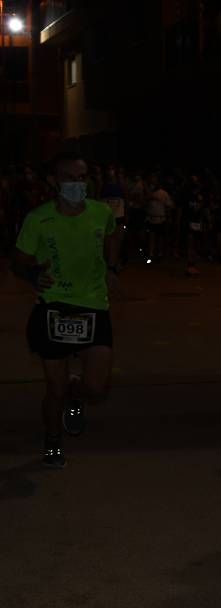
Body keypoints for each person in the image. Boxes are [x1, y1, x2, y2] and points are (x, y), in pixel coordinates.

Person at [10, 151, 120, 468]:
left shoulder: (101, 212)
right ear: (55, 181)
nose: (77, 184)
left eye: (82, 177)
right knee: (53, 387)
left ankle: (78, 393)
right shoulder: (38, 218)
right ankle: (53, 443)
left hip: (94, 305)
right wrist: (32, 275)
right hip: (53, 306)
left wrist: (112, 267)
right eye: (70, 178)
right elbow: (18, 261)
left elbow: (114, 233)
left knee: (97, 389)